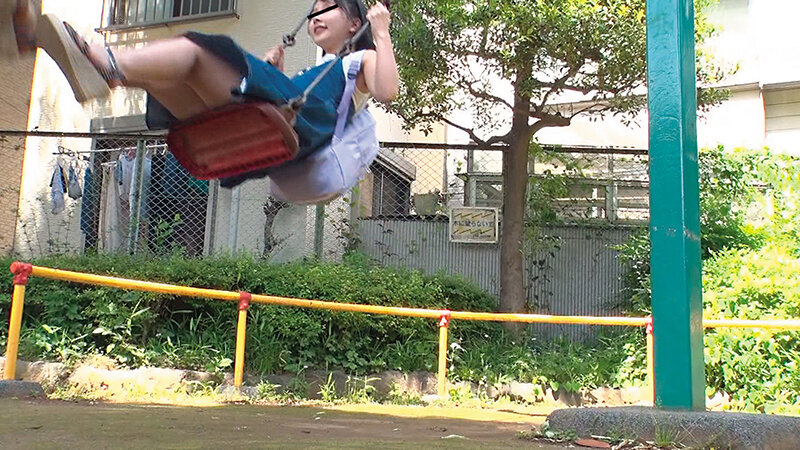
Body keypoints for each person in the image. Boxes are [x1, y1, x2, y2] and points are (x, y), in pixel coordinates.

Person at [2, 0, 398, 187]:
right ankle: (53, 46)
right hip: (267, 123)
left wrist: (381, 32)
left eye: (328, 7)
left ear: (355, 24)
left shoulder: (359, 60)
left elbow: (388, 90)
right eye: (313, 9)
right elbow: (304, 99)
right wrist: (275, 75)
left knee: (197, 50)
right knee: (176, 79)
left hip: (299, 131)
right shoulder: (314, 71)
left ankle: (104, 63)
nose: (316, 15)